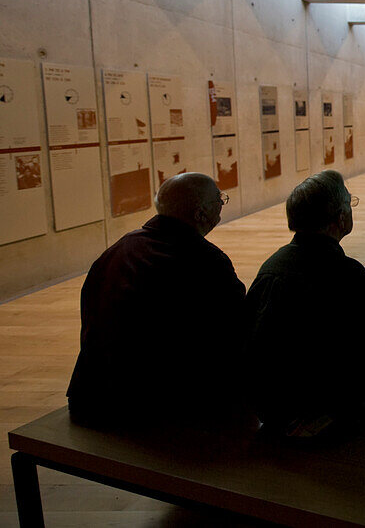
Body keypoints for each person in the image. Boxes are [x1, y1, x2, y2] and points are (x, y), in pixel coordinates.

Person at [244, 170, 365, 437]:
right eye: (349, 202)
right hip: (331, 410)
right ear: (340, 217)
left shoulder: (271, 268)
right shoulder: (351, 276)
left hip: (277, 408)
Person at [66, 173, 245, 426]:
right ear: (200, 214)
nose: (221, 205)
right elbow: (238, 329)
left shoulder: (119, 249)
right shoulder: (206, 261)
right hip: (152, 407)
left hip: (92, 392)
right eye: (219, 199)